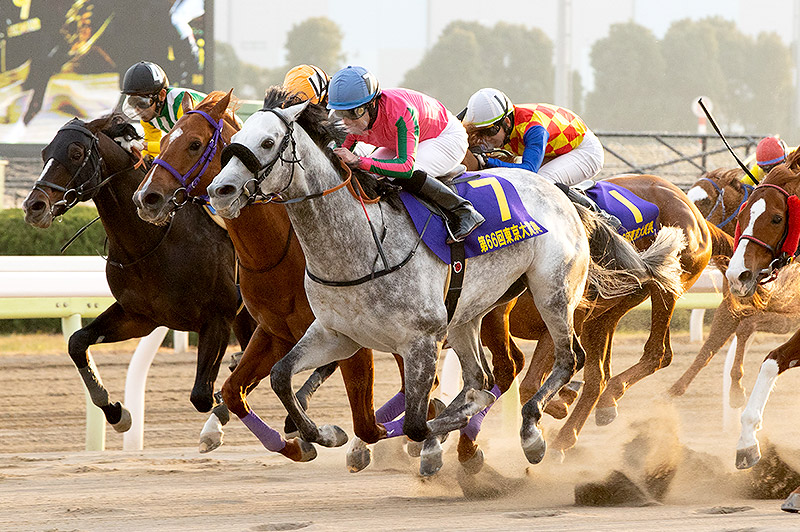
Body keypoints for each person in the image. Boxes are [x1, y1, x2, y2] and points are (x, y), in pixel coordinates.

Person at [327, 65, 484, 243]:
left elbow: (405, 168)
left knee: (400, 173)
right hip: (407, 139)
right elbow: (338, 155)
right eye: (341, 113)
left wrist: (358, 160)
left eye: (353, 113)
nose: (347, 121)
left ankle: (463, 211)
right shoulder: (356, 118)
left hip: (445, 137)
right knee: (370, 172)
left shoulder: (401, 111)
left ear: (371, 104)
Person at [461, 88, 604, 187]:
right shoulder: (502, 129)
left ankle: (597, 215)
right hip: (554, 151)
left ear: (507, 122)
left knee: (541, 180)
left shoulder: (533, 128)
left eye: (490, 131)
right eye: (481, 133)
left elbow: (529, 170)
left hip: (584, 150)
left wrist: (487, 161)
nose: (486, 138)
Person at [120, 61, 206, 160]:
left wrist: (143, 145)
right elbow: (150, 155)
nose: (137, 109)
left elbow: (185, 145)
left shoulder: (179, 104)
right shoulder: (148, 115)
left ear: (161, 95)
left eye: (142, 102)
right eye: (132, 102)